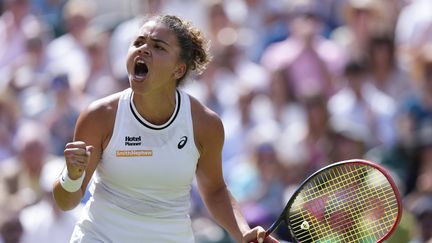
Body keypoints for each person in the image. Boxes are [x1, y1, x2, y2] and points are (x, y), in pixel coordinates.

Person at [52, 14, 279, 243]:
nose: (143, 50)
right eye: (139, 42)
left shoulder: (204, 124)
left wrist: (243, 232)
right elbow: (66, 201)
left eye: (158, 47)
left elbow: (215, 191)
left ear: (178, 70)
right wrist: (71, 176)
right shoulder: (99, 116)